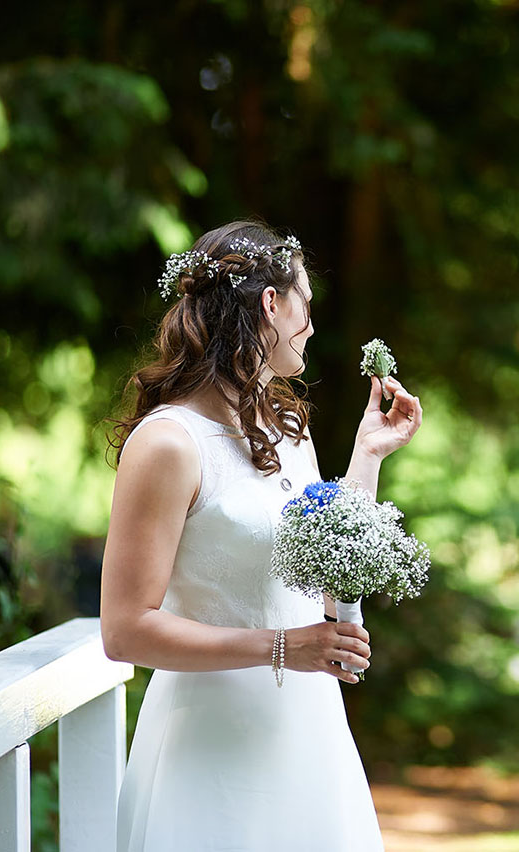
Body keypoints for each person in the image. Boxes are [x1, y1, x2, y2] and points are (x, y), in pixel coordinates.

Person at [101, 221, 421, 851]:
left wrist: (369, 455)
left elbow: (329, 578)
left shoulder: (287, 430)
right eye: (305, 302)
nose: (312, 323)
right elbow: (124, 629)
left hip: (308, 737)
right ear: (271, 302)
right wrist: (283, 648)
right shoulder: (168, 443)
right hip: (210, 751)